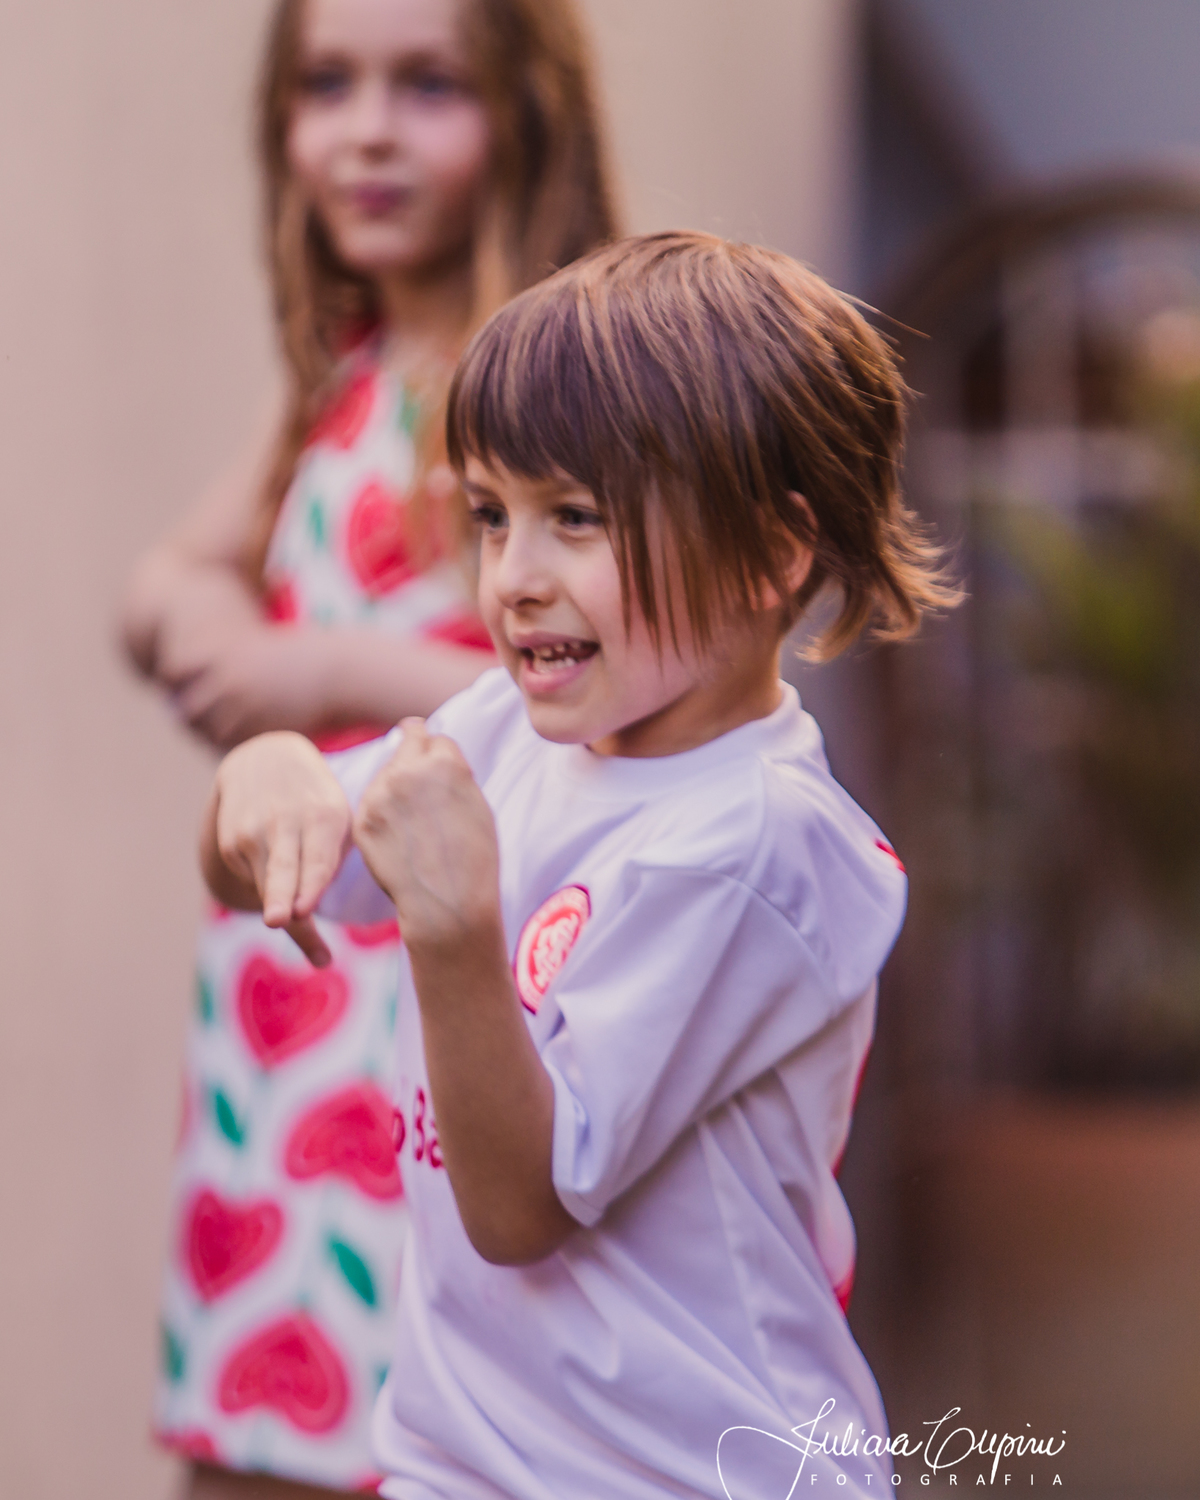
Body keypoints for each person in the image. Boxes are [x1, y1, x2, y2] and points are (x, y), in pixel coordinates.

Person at [197, 232, 959, 1499]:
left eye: (576, 520)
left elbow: (519, 1211)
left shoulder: (757, 844)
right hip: (464, 1463)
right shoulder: (507, 730)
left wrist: (453, 931)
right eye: (493, 516)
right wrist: (267, 776)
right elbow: (257, 858)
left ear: (773, 553)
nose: (514, 579)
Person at [120, 0, 617, 1493]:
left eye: (429, 86)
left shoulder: (548, 385)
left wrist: (318, 667)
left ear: (525, 112)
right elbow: (158, 587)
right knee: (260, 1444)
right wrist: (213, 612)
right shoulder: (348, 372)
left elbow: (599, 694)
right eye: (327, 84)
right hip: (283, 1016)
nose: (370, 132)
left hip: (431, 1012)